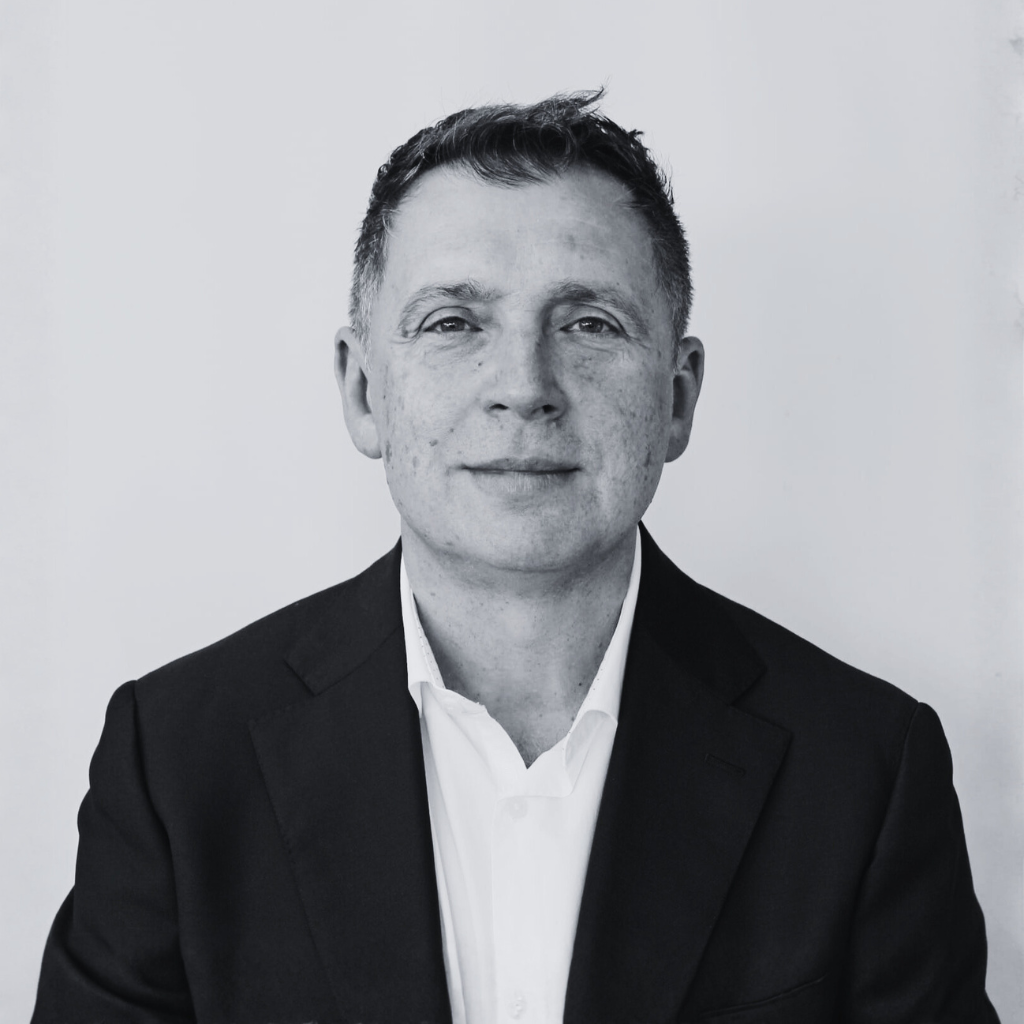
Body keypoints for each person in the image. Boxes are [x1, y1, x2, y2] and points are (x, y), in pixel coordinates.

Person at [32, 91, 998, 1024]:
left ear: (677, 398)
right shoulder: (177, 760)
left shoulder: (865, 768)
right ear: (364, 390)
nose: (524, 387)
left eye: (588, 324)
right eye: (454, 322)